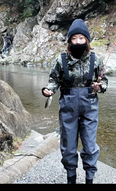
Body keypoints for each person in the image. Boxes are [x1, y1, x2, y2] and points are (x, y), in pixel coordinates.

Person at [41, 19, 108, 184]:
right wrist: (48, 90)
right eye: (74, 38)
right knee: (68, 146)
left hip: (90, 107)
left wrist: (101, 87)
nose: (78, 41)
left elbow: (105, 81)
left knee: (90, 146)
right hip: (68, 107)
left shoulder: (95, 59)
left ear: (86, 40)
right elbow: (54, 80)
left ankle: (89, 179)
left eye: (81, 38)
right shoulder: (61, 60)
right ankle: (71, 178)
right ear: (70, 40)